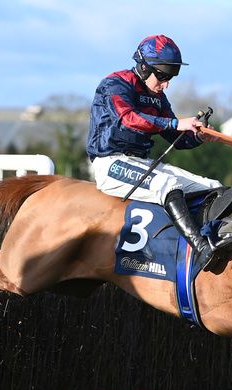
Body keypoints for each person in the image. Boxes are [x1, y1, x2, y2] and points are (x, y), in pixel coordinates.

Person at [87, 34, 220, 271]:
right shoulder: (115, 84)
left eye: (171, 76)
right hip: (110, 163)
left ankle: (215, 237)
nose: (166, 83)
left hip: (143, 162)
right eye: (162, 75)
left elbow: (177, 140)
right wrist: (176, 123)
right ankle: (201, 249)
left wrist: (199, 136)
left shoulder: (158, 97)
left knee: (213, 187)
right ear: (142, 66)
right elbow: (128, 120)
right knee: (167, 185)